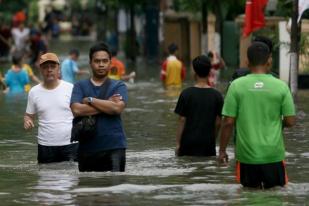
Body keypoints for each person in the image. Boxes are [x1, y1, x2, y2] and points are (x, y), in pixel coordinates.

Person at [218, 42, 296, 189]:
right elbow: (291, 121)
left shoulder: (236, 85)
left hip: (247, 157)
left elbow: (228, 122)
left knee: (248, 196)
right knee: (275, 197)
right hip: (274, 155)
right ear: (269, 60)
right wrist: (278, 122)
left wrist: (222, 151)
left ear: (247, 61)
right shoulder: (281, 86)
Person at [70, 42, 128, 172]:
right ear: (90, 63)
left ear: (110, 63)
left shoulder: (119, 86)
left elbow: (116, 109)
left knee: (115, 189)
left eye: (104, 61)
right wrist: (107, 103)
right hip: (87, 149)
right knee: (87, 190)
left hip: (115, 147)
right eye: (97, 61)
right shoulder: (79, 86)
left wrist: (90, 100)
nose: (101, 64)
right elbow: (77, 110)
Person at [24, 52, 78, 164]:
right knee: (45, 179)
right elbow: (29, 115)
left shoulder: (71, 88)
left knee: (70, 179)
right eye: (45, 67)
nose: (49, 70)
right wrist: (27, 121)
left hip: (70, 144)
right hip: (45, 146)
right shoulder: (34, 92)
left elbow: (81, 112)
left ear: (58, 68)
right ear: (40, 69)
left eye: (52, 66)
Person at [174, 55, 223, 156]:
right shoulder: (217, 96)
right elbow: (218, 122)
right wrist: (212, 139)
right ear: (209, 72)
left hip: (188, 143)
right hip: (207, 143)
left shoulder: (186, 94)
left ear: (194, 73)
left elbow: (182, 120)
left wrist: (178, 144)